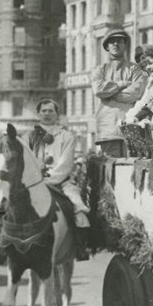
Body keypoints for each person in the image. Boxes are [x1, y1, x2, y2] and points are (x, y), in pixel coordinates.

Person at [24, 99, 90, 261]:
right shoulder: (28, 137)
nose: (47, 114)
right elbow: (25, 161)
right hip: (33, 183)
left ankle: (80, 246)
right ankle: (10, 242)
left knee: (79, 211)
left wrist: (48, 180)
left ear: (57, 114)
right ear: (38, 114)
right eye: (43, 111)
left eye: (50, 111)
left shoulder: (67, 136)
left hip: (62, 183)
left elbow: (65, 164)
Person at [91, 29, 146, 157]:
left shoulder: (134, 69)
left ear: (125, 45)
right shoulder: (100, 69)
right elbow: (98, 89)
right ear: (107, 47)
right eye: (112, 42)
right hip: (107, 126)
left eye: (120, 41)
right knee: (110, 164)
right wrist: (121, 84)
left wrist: (110, 94)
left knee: (131, 163)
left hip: (130, 124)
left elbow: (136, 93)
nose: (116, 44)